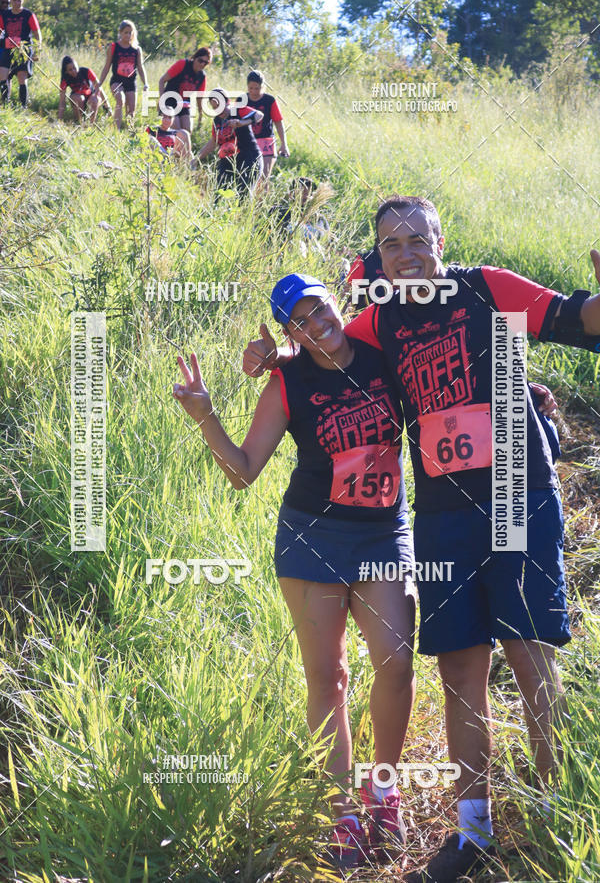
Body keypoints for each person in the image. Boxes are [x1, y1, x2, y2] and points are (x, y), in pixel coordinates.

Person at [242, 195, 600, 882]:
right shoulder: (378, 321)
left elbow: (574, 317)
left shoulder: (486, 288)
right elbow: (323, 347)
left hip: (514, 492)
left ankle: (556, 814)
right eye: (391, 244)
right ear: (378, 257)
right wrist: (275, 354)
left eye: (417, 239)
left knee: (528, 655)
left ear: (441, 241)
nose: (405, 254)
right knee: (460, 672)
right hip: (440, 513)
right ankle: (473, 831)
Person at [173, 274, 417, 870]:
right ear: (291, 333)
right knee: (327, 677)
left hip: (383, 533)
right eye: (300, 322)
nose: (317, 324)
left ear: (336, 302)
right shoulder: (287, 382)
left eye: (320, 309)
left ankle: (383, 791)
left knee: (395, 661)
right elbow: (243, 471)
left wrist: (524, 398)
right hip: (313, 539)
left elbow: (443, 395)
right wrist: (205, 416)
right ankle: (343, 812)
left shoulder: (384, 355)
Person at [197, 88, 263, 198]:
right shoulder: (216, 121)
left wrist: (241, 123)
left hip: (250, 157)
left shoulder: (238, 110)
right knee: (218, 194)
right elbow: (214, 141)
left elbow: (259, 115)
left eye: (220, 106)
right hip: (228, 160)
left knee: (243, 195)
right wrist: (196, 159)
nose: (218, 111)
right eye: (214, 108)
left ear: (227, 101)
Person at [97, 19, 148, 130]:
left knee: (131, 111)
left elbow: (140, 67)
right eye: (126, 32)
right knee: (120, 100)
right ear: (120, 33)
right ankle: (117, 130)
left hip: (131, 83)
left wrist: (145, 83)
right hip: (117, 81)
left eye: (130, 32)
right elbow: (107, 66)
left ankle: (130, 132)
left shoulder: (136, 49)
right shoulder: (113, 47)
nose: (128, 35)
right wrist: (100, 82)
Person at [246, 69, 289, 189]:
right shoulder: (242, 100)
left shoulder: (269, 100)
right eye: (251, 88)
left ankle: (262, 200)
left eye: (257, 88)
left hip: (266, 142)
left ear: (263, 86)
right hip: (247, 142)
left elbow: (278, 122)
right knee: (248, 178)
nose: (254, 91)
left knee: (263, 178)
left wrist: (284, 144)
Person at [0, 0, 41, 108]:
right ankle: (5, 106)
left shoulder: (28, 14)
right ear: (10, 1)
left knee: (22, 77)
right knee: (3, 76)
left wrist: (37, 51)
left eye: (20, 0)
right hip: (7, 49)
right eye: (15, 0)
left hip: (23, 50)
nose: (17, 3)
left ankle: (23, 107)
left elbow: (37, 33)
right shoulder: (5, 15)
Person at [158, 47, 211, 133]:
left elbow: (199, 98)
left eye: (206, 63)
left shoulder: (202, 76)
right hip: (170, 100)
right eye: (200, 60)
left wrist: (200, 117)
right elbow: (162, 80)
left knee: (187, 131)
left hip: (184, 104)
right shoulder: (182, 64)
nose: (202, 64)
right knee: (176, 130)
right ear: (195, 58)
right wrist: (162, 101)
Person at [58, 56, 110, 124]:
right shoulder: (65, 79)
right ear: (66, 71)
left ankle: (91, 124)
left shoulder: (86, 71)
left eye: (74, 68)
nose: (74, 71)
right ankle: (79, 122)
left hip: (91, 97)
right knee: (78, 98)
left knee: (95, 99)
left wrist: (107, 106)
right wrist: (59, 119)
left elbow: (99, 87)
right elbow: (62, 101)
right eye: (70, 70)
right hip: (78, 99)